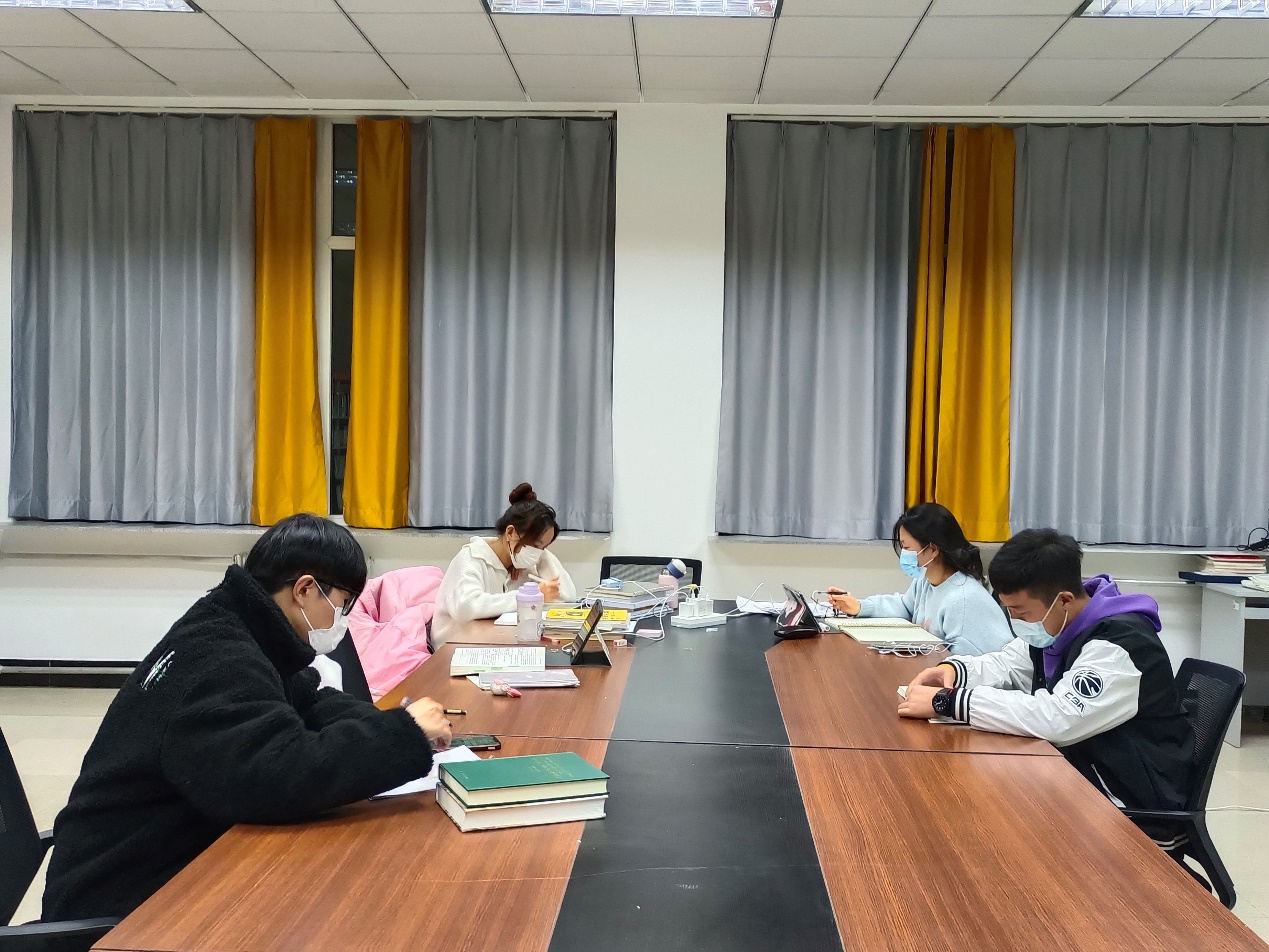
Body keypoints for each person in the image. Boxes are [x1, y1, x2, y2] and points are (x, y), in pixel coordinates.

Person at [42, 514, 453, 922]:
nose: (341, 622)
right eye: (342, 606)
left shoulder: (240, 624)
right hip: (121, 905)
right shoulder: (221, 657)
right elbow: (282, 772)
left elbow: (307, 701)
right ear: (305, 589)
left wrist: (393, 725)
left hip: (174, 861)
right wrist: (401, 736)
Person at [900, 528, 1195, 827]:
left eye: (1021, 612)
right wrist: (954, 671)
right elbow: (1009, 664)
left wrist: (950, 702)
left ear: (1064, 600)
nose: (1015, 622)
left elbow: (1058, 718)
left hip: (1129, 805)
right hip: (1077, 775)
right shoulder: (1058, 624)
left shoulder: (1119, 645)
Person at [826, 503, 1013, 655]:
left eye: (907, 547)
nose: (903, 553)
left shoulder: (963, 599)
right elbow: (905, 606)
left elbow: (967, 663)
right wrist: (859, 607)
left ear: (933, 549)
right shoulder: (925, 581)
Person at [432, 483, 578, 647]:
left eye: (544, 547)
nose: (537, 553)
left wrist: (541, 555)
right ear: (510, 532)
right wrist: (528, 597)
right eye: (535, 545)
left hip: (495, 642)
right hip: (454, 645)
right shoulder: (472, 558)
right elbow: (466, 607)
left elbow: (567, 597)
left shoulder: (523, 564)